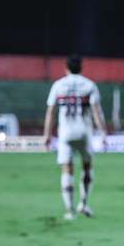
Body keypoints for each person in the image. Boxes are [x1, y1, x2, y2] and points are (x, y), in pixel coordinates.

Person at [43, 54, 107, 220]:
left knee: (67, 169)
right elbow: (96, 111)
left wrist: (47, 135)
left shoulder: (58, 85)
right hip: (84, 132)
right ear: (81, 67)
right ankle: (84, 204)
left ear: (66, 67)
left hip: (65, 133)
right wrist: (103, 132)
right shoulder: (89, 85)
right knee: (87, 167)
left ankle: (70, 211)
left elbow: (51, 111)